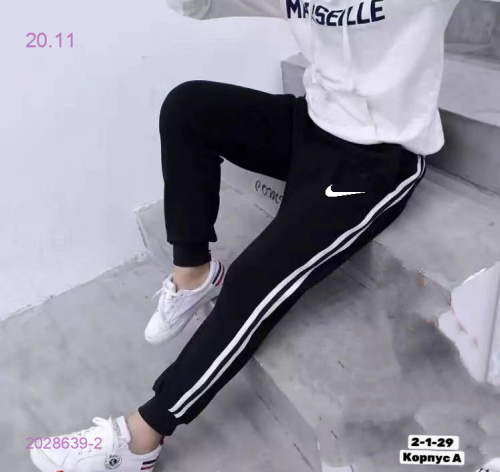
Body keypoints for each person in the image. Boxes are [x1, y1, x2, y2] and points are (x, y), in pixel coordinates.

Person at [29, 1, 499, 471]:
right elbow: (201, 4)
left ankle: (140, 440)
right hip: (310, 124)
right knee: (187, 106)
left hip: (374, 161)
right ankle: (194, 274)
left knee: (254, 276)